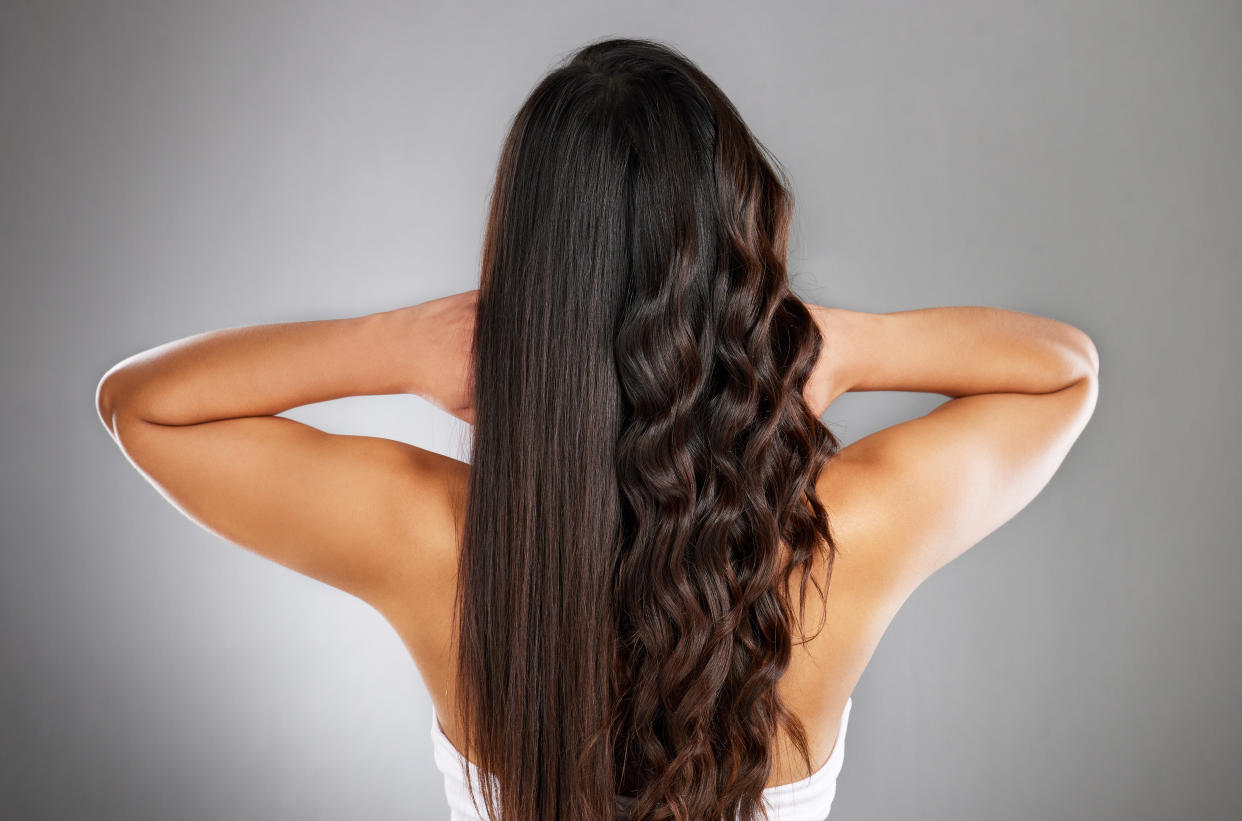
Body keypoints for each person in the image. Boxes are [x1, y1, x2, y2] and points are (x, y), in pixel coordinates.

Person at [95, 36, 1099, 821]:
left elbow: (141, 403)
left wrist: (403, 342)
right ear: (738, 256)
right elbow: (1062, 374)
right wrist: (838, 344)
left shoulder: (439, 542)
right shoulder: (844, 534)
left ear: (528, 280)